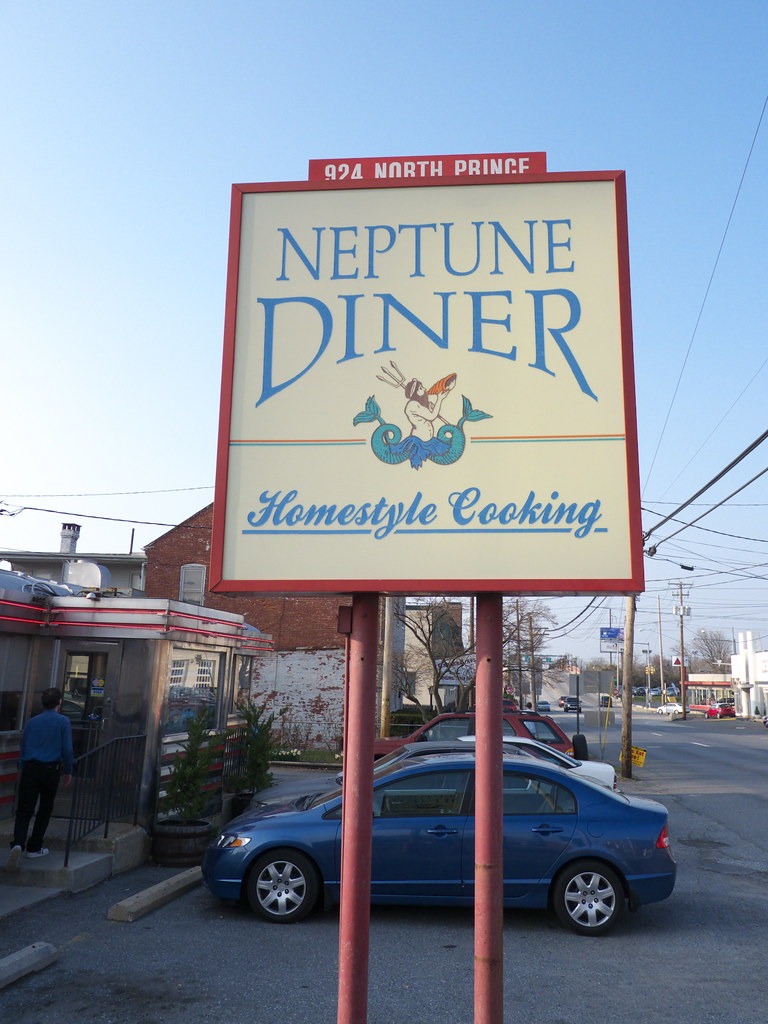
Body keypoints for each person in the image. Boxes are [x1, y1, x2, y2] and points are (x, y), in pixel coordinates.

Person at [6, 687, 74, 871]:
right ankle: (34, 847)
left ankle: (18, 843)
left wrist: (22, 765)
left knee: (24, 809)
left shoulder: (32, 722)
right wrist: (68, 770)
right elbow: (67, 749)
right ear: (59, 702)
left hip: (30, 768)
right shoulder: (63, 722)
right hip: (51, 769)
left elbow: (24, 745)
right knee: (45, 809)